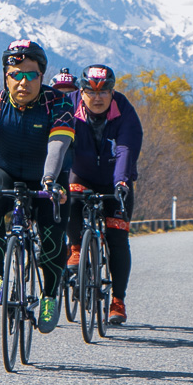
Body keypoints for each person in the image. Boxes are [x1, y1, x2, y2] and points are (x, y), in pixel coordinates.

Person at [0, 40, 74, 334]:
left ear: (42, 75)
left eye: (31, 75)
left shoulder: (60, 103)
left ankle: (50, 296)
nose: (23, 82)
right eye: (16, 74)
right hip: (7, 171)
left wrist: (50, 180)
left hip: (47, 177)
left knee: (53, 233)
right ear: (6, 76)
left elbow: (57, 145)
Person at [62, 64, 143, 325]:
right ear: (81, 91)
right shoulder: (67, 106)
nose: (97, 98)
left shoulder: (125, 111)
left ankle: (118, 300)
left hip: (114, 179)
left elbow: (126, 149)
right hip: (81, 174)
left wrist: (121, 182)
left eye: (104, 92)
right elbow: (58, 143)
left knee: (118, 237)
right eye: (91, 91)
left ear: (112, 91)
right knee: (71, 196)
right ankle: (76, 247)